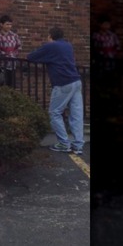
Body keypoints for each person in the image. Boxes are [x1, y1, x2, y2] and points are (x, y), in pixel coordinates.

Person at [27, 27, 84, 155]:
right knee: (76, 114)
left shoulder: (51, 46)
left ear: (51, 36)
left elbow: (31, 57)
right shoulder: (68, 45)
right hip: (76, 81)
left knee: (54, 113)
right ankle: (78, 145)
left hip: (63, 82)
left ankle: (64, 143)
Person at [0, 15, 22, 87]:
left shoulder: (14, 35)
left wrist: (13, 54)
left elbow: (19, 46)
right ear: (1, 24)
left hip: (12, 64)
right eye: (7, 24)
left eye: (10, 24)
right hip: (2, 64)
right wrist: (6, 55)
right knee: (2, 83)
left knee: (11, 84)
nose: (9, 26)